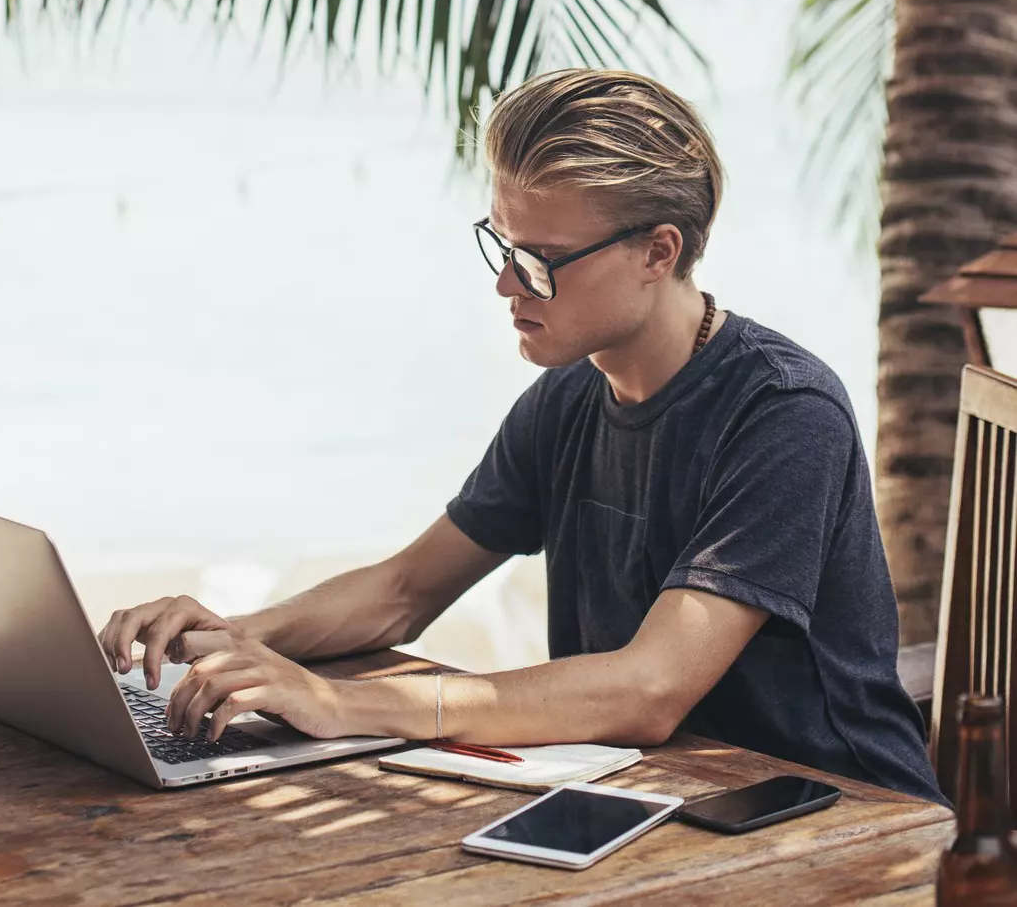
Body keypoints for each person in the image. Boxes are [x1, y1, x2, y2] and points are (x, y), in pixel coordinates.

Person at [100, 68, 941, 801]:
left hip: (837, 813)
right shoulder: (571, 395)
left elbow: (651, 688)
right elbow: (403, 590)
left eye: (539, 259)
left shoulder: (784, 414)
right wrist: (236, 641)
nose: (507, 283)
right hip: (653, 797)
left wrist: (342, 704)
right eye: (501, 247)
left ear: (658, 250)